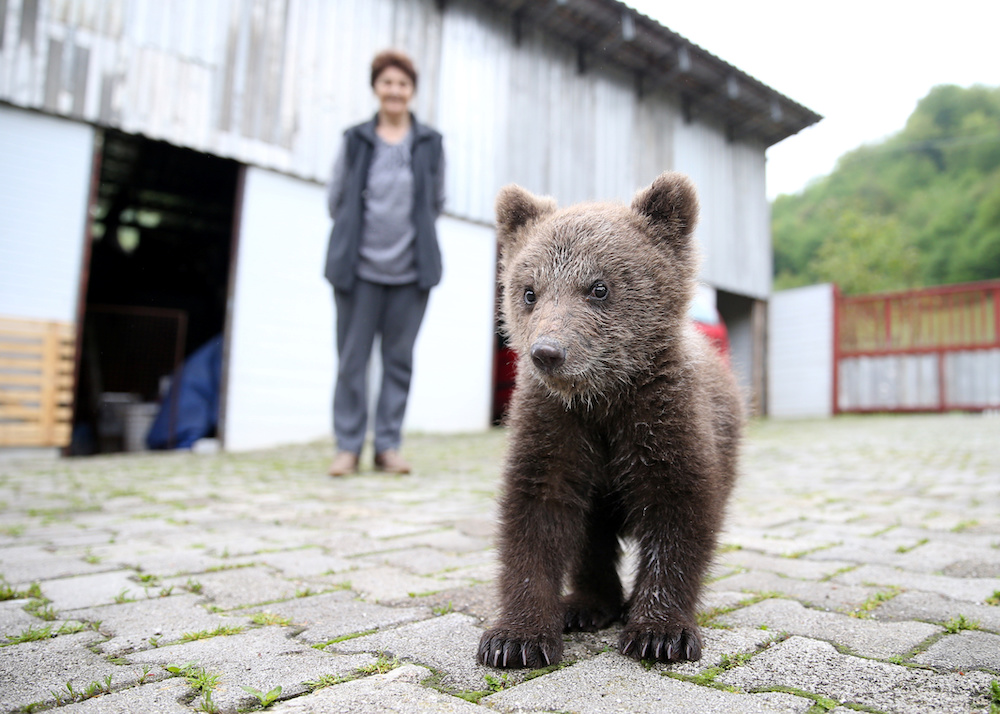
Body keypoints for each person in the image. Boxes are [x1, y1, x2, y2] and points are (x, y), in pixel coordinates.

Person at [324, 49, 446, 476]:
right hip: (356, 272)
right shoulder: (355, 139)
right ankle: (348, 447)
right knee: (352, 361)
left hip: (411, 274)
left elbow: (436, 202)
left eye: (402, 84)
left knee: (399, 360)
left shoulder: (430, 142)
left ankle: (388, 446)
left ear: (411, 91)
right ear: (376, 88)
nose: (394, 91)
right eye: (387, 83)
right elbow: (336, 199)